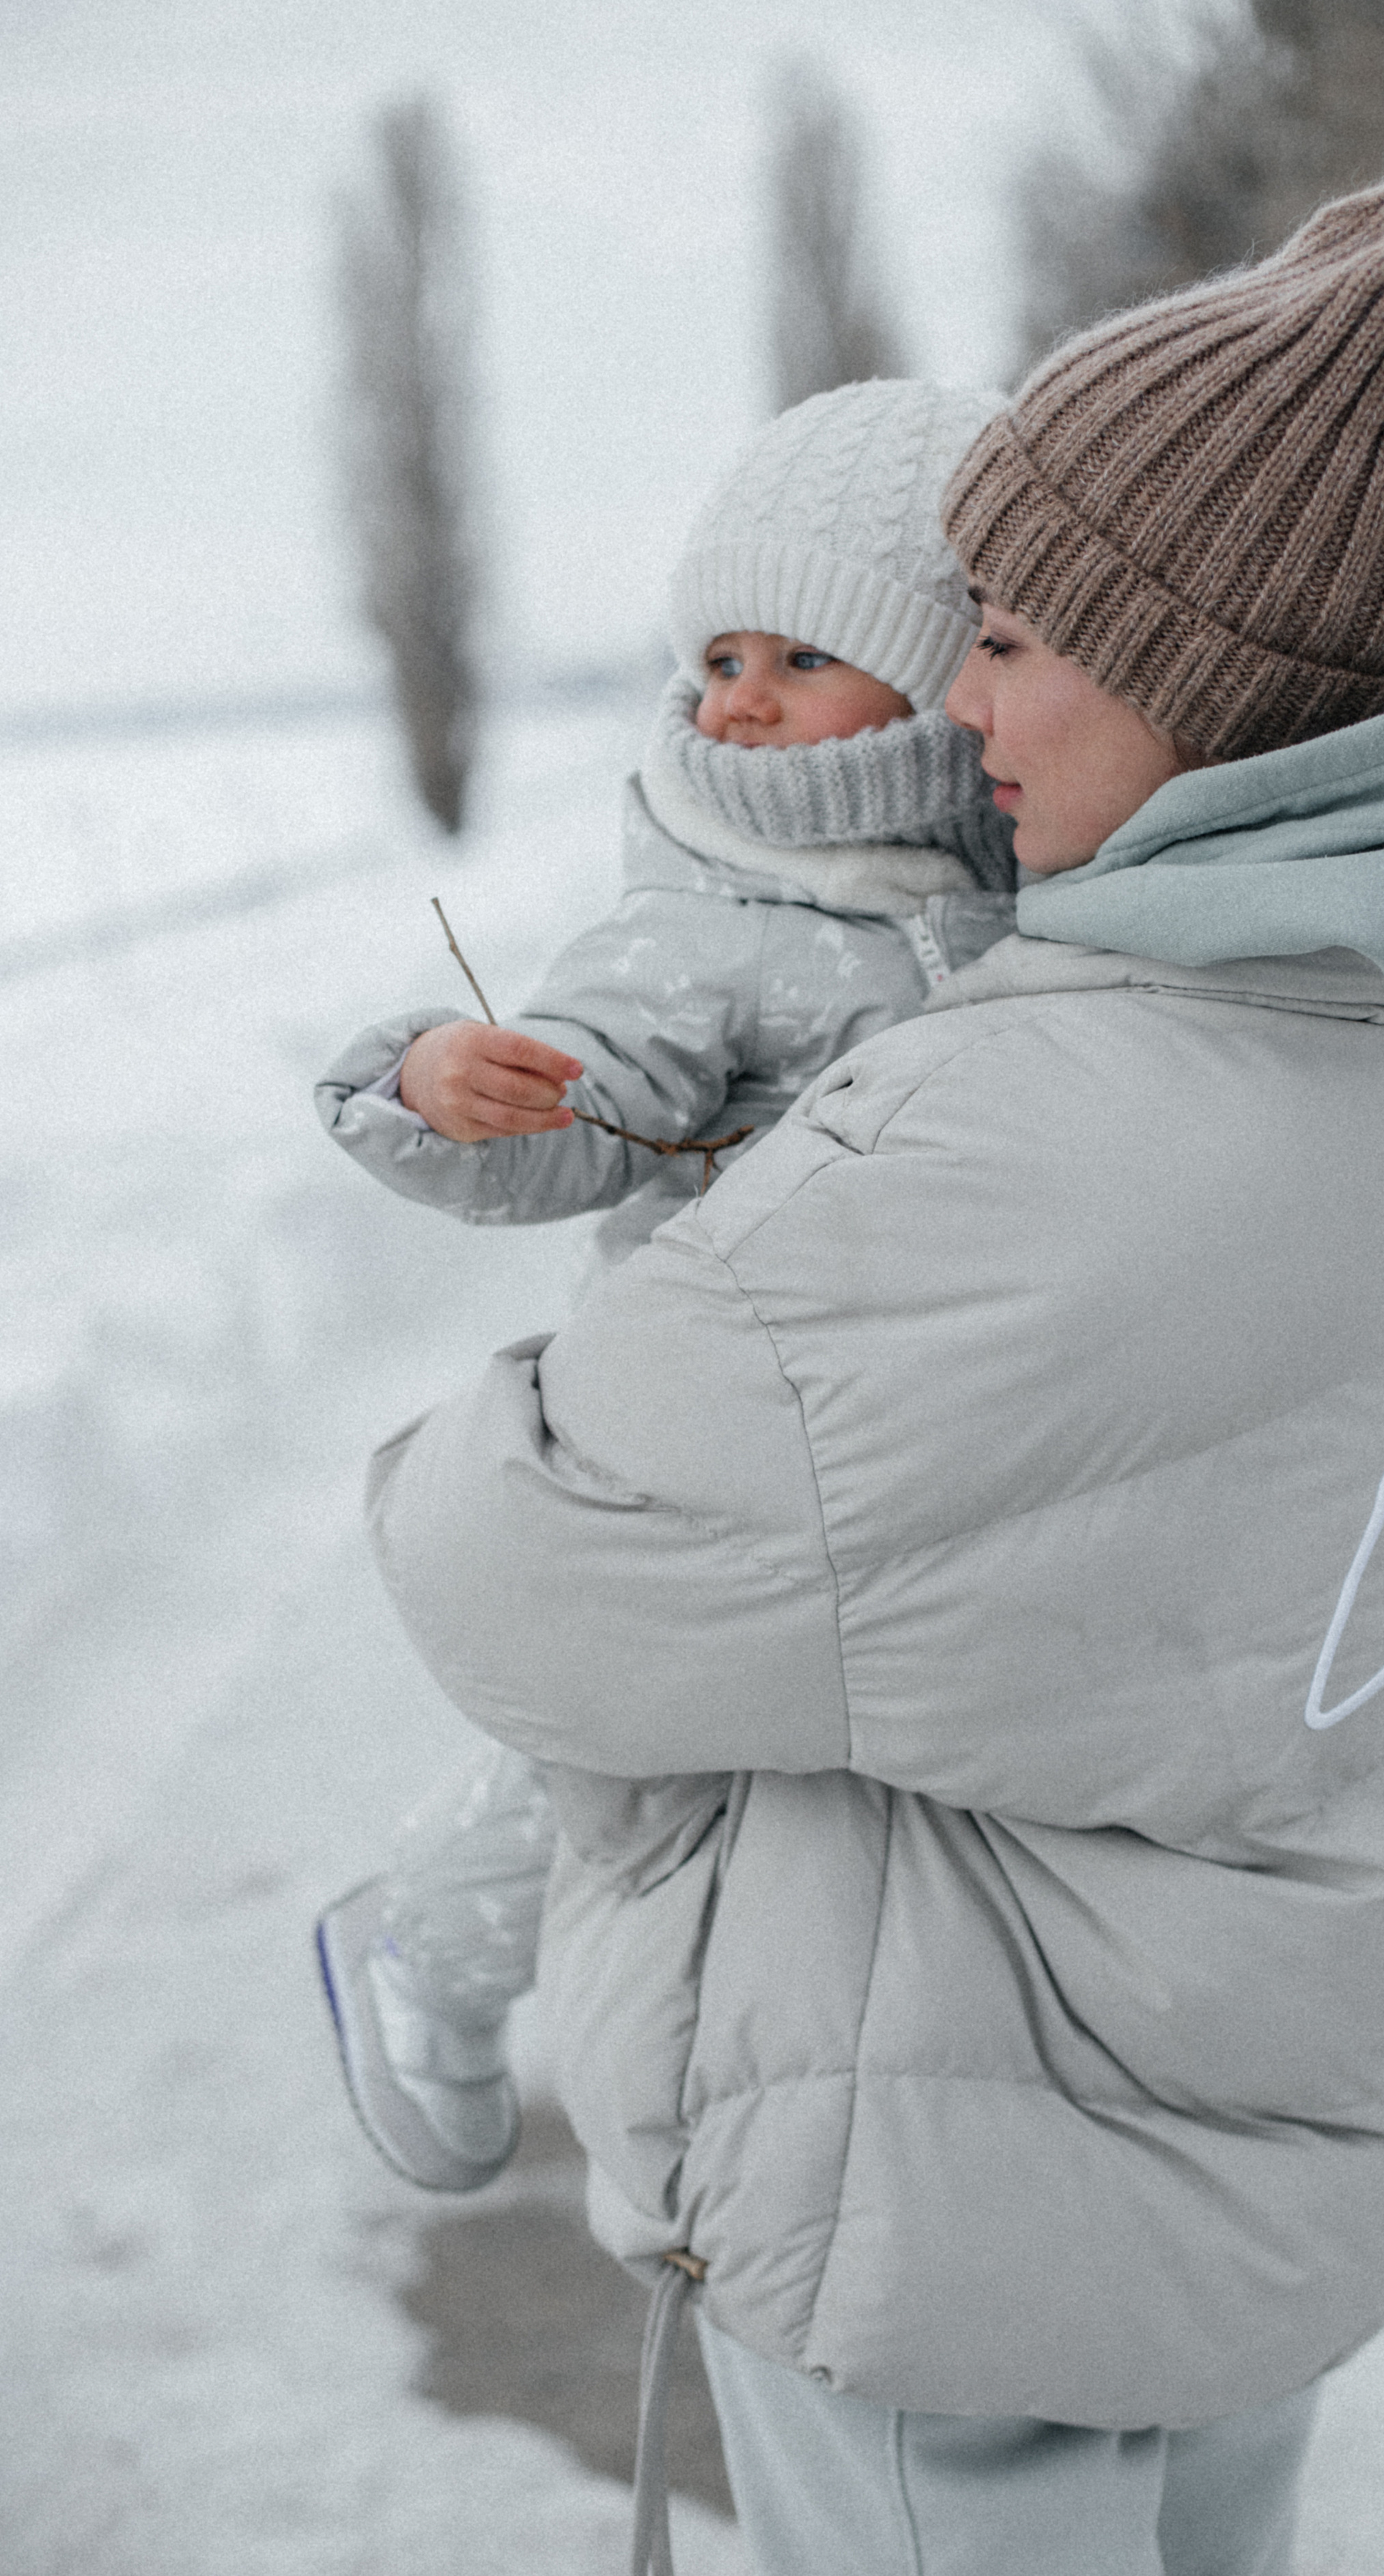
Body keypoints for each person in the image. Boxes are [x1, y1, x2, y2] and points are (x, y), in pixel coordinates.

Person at [365, 169, 1384, 2576]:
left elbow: (507, 1562)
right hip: (1270, 2109)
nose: (962, 707)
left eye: (1012, 638)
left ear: (1200, 681)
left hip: (966, 2183)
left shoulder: (1034, 1115)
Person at [311, 377, 1015, 2193]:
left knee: (836, 1779)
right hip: (717, 1428)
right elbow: (589, 1095)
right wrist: (445, 1091)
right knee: (634, 1755)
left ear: (945, 677)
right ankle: (428, 1942)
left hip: (916, 1433)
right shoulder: (703, 916)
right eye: (716, 657)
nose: (740, 699)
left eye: (804, 655)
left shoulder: (1013, 886)